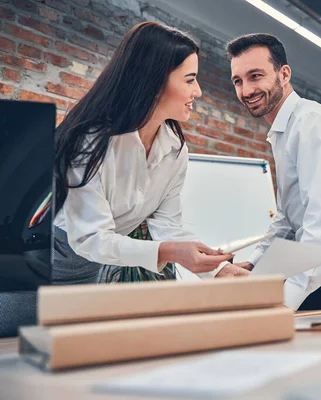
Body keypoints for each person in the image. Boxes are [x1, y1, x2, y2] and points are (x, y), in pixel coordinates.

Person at [53, 21, 248, 284]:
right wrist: (170, 252)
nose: (198, 91)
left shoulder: (175, 150)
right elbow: (90, 238)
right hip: (45, 265)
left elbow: (166, 225)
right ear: (153, 81)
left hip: (91, 268)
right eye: (190, 79)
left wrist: (216, 269)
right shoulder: (91, 142)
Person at [225, 33, 321, 311]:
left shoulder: (311, 124)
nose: (246, 90)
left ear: (284, 74)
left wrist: (283, 305)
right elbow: (288, 219)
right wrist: (254, 262)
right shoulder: (283, 131)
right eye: (238, 81)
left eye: (255, 76)